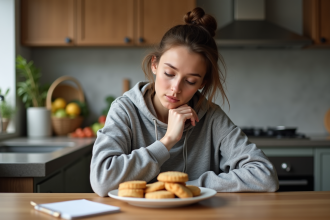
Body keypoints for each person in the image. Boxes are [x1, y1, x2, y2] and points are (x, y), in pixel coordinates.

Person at [90, 7, 279, 197]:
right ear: (154, 65)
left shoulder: (211, 116)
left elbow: (265, 176)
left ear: (202, 83)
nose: (176, 88)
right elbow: (101, 181)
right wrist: (167, 141)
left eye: (190, 81)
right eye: (169, 74)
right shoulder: (125, 110)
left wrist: (185, 187)